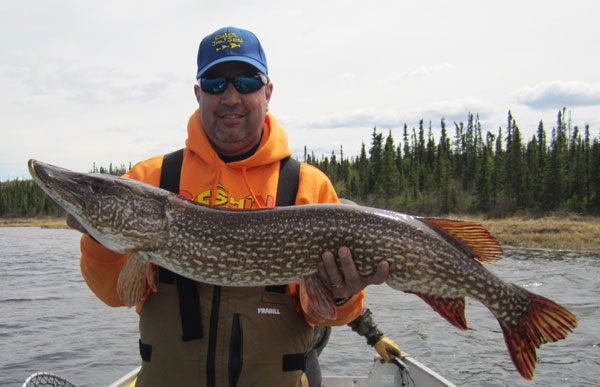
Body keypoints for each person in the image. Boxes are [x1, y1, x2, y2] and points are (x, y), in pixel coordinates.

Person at [65, 26, 389, 387]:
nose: (231, 96)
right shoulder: (149, 179)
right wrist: (99, 233)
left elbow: (327, 314)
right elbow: (114, 294)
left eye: (247, 81)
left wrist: (343, 292)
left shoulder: (308, 187)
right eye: (216, 83)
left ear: (268, 92)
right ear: (198, 93)